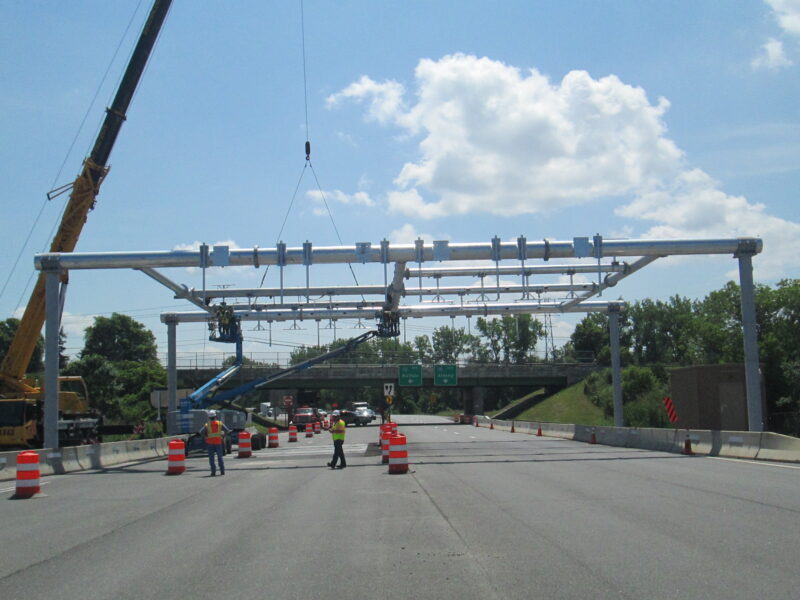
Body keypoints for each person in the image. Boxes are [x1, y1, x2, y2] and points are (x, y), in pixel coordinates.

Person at [199, 410, 229, 476]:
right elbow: (227, 430)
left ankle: (213, 472)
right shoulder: (220, 423)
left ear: (209, 417)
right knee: (220, 457)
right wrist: (223, 436)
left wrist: (205, 437)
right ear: (215, 416)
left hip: (210, 443)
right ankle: (222, 471)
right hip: (218, 442)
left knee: (211, 458)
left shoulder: (207, 425)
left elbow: (201, 432)